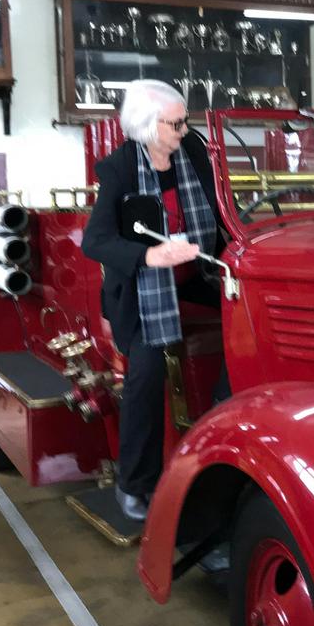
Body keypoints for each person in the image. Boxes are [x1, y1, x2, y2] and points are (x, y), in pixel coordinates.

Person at [81, 80, 225, 522]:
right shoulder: (120, 169)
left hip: (197, 272)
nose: (185, 129)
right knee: (145, 373)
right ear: (147, 126)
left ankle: (219, 426)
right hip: (146, 289)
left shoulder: (195, 153)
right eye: (176, 123)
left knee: (250, 327)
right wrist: (149, 255)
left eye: (186, 120)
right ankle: (135, 484)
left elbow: (221, 213)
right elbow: (96, 241)